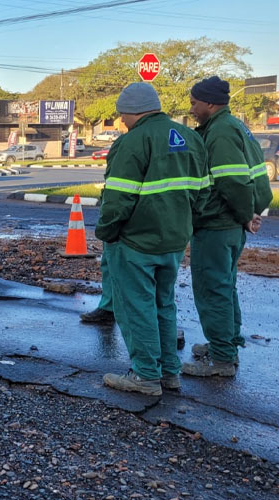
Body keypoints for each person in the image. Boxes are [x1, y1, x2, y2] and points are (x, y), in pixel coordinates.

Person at [97, 82, 209, 396]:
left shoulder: (133, 141)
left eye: (122, 114)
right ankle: (169, 373)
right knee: (164, 304)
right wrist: (183, 223)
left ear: (132, 111)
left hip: (135, 241)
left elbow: (118, 198)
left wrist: (106, 232)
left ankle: (145, 375)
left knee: (136, 307)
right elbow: (203, 193)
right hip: (174, 240)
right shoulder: (191, 138)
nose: (121, 121)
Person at [182, 76, 274, 377]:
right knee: (224, 285)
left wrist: (246, 214)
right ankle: (226, 344)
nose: (192, 109)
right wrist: (248, 214)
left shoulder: (220, 132)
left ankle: (221, 359)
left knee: (212, 288)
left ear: (210, 103)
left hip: (217, 223)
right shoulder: (233, 126)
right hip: (230, 223)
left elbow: (232, 182)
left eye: (194, 103)